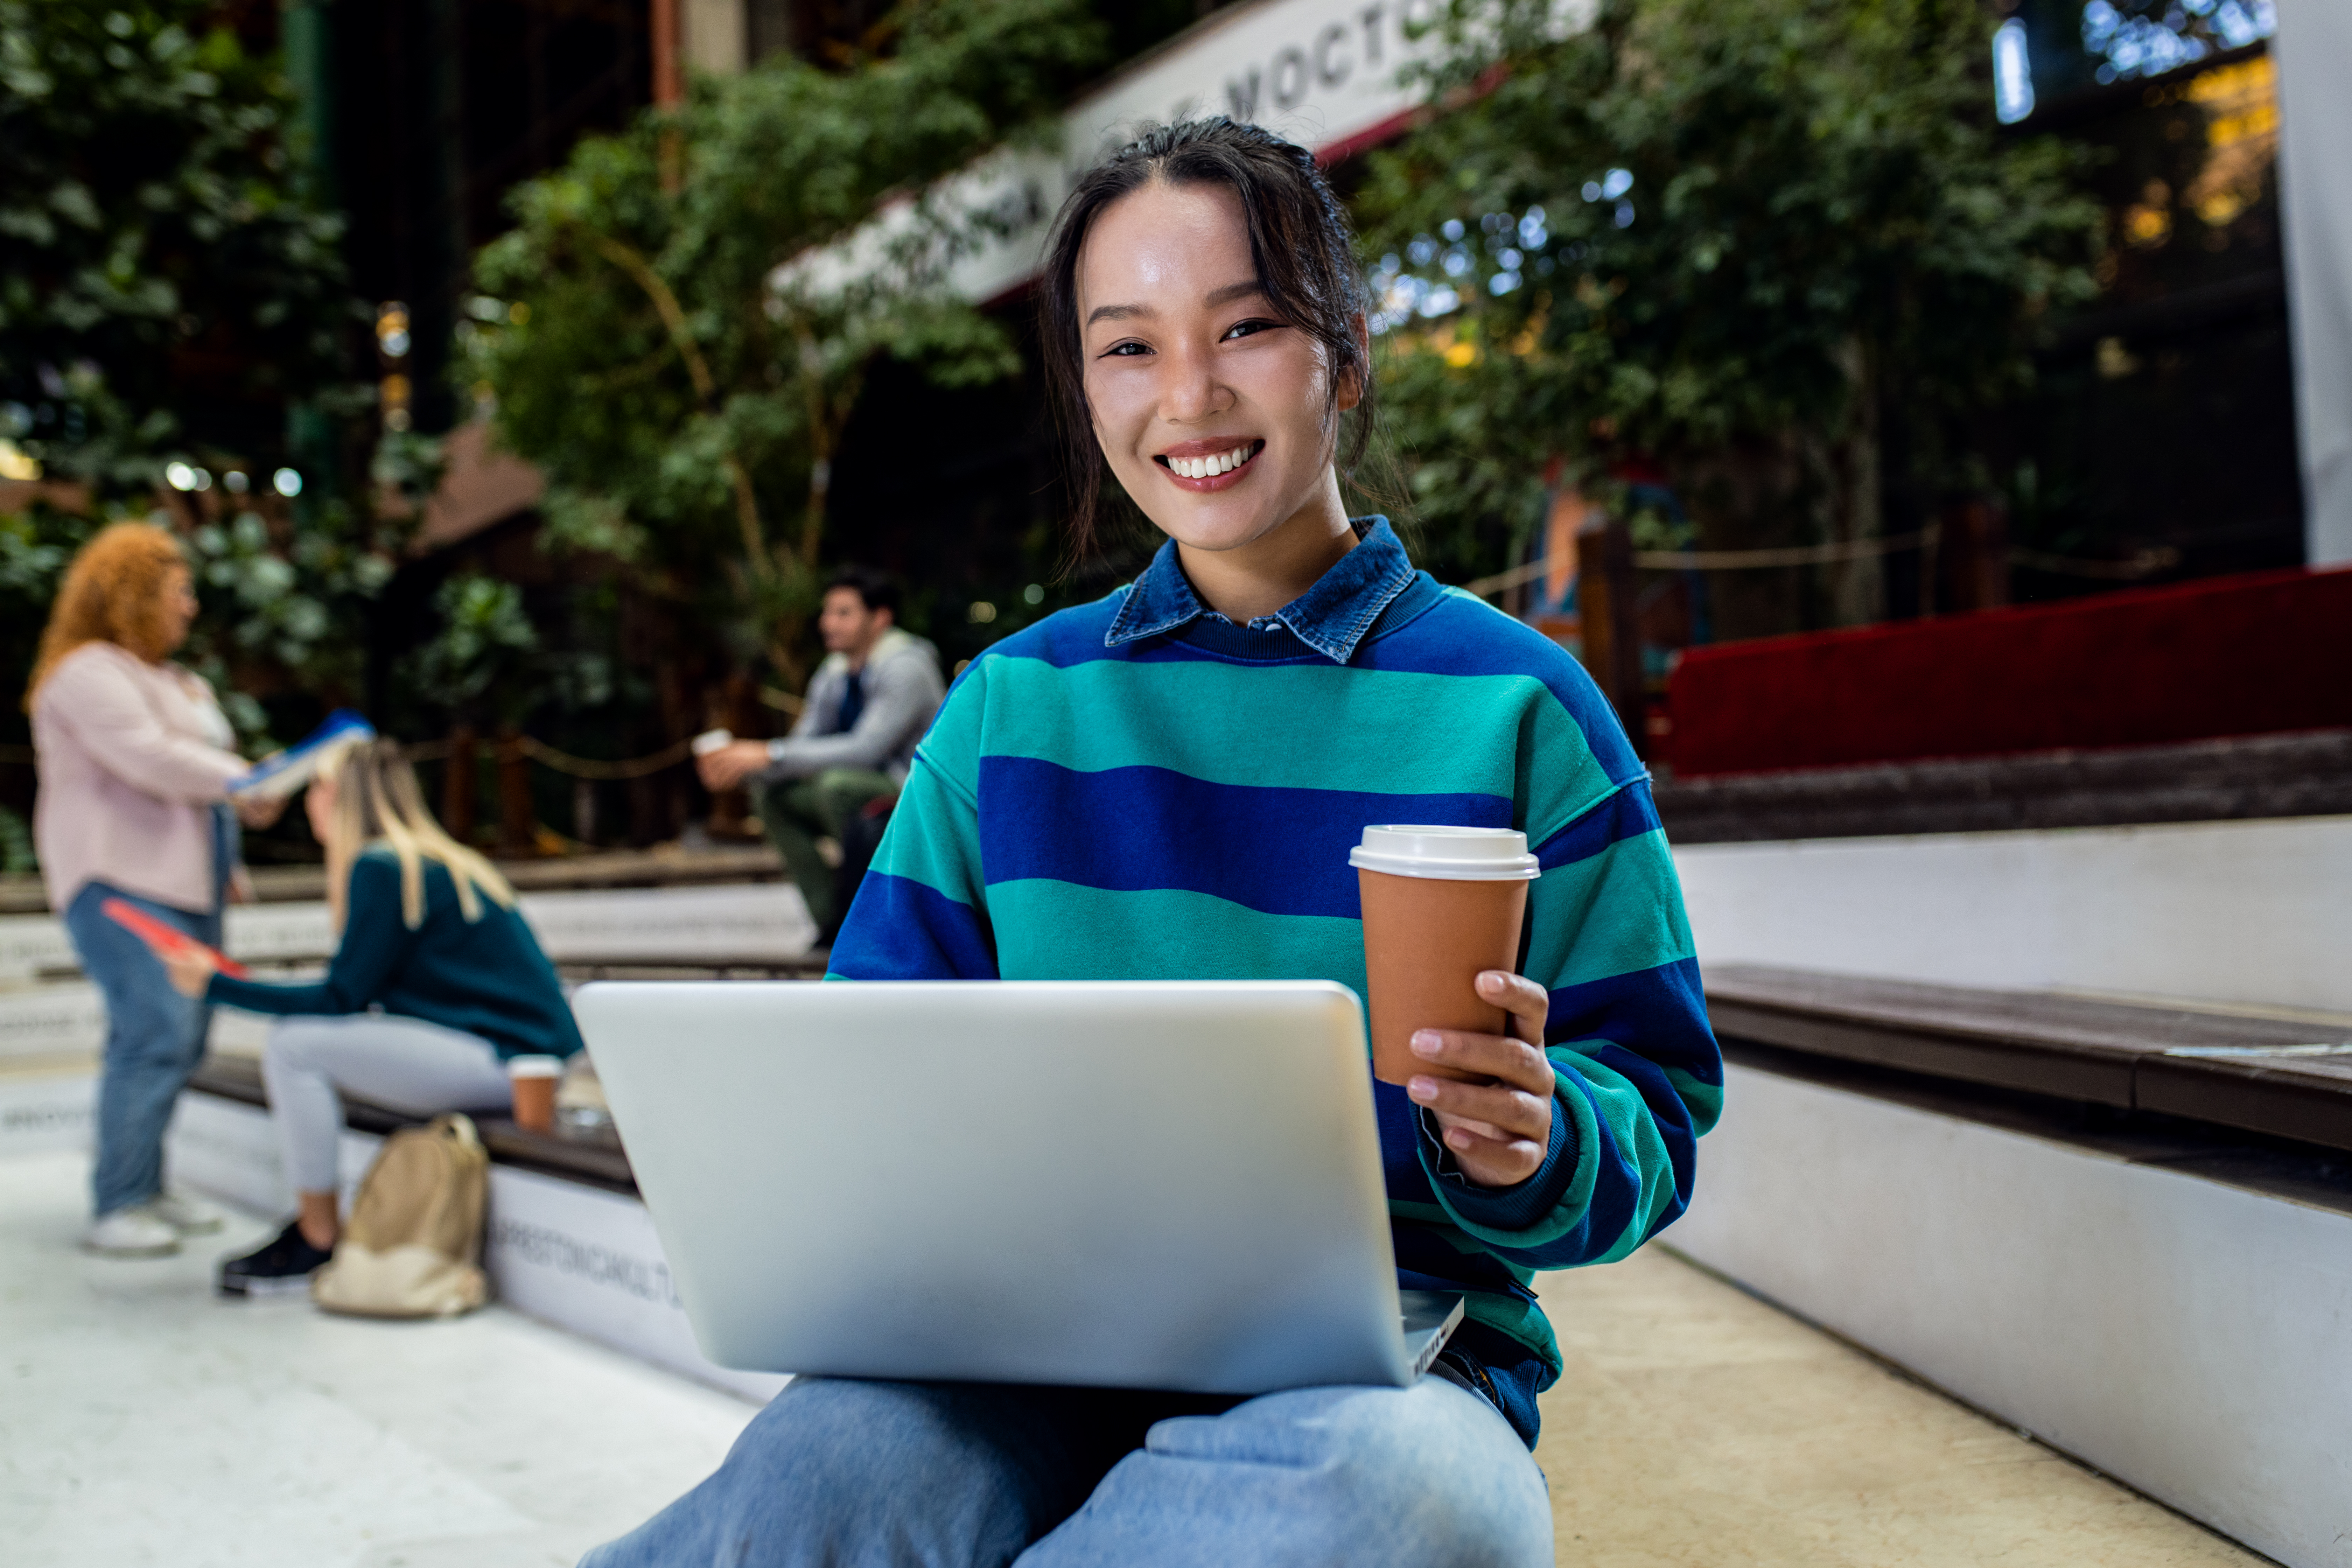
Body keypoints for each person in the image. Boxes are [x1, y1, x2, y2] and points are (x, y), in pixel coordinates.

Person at [587, 118, 1722, 1568]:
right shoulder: (1010, 710)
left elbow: (1656, 1100)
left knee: (1417, 1503)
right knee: (834, 1459)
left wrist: (1541, 1135)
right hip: (1016, 1358)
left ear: (1347, 351)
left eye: (1245, 326)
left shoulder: (1520, 708)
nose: (1188, 396)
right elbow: (879, 1059)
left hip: (1390, 1370)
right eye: (1127, 347)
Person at [158, 738, 583, 1296]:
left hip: (508, 1062)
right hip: (521, 1056)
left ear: (334, 794)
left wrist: (215, 985)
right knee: (308, 1042)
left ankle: (317, 1235)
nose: (310, 801)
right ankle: (317, 1227)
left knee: (296, 1046)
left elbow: (342, 998)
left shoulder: (384, 866)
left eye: (314, 788)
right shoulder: (436, 859)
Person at [27, 521, 282, 1259]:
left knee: (182, 1034)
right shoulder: (85, 672)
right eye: (180, 591)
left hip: (187, 888)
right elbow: (147, 757)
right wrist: (241, 781)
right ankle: (120, 1199)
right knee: (155, 1030)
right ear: (136, 594)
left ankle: (145, 1182)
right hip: (118, 885)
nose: (191, 607)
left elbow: (206, 775)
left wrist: (249, 797)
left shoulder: (183, 681)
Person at [698, 565, 945, 943]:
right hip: (858, 789)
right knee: (774, 796)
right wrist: (742, 767)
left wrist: (768, 753)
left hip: (910, 793)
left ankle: (875, 909)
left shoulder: (907, 666)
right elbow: (801, 746)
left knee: (836, 784)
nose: (828, 622)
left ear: (880, 618)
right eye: (827, 612)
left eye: (843, 612)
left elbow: (867, 749)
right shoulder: (835, 671)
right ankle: (831, 920)